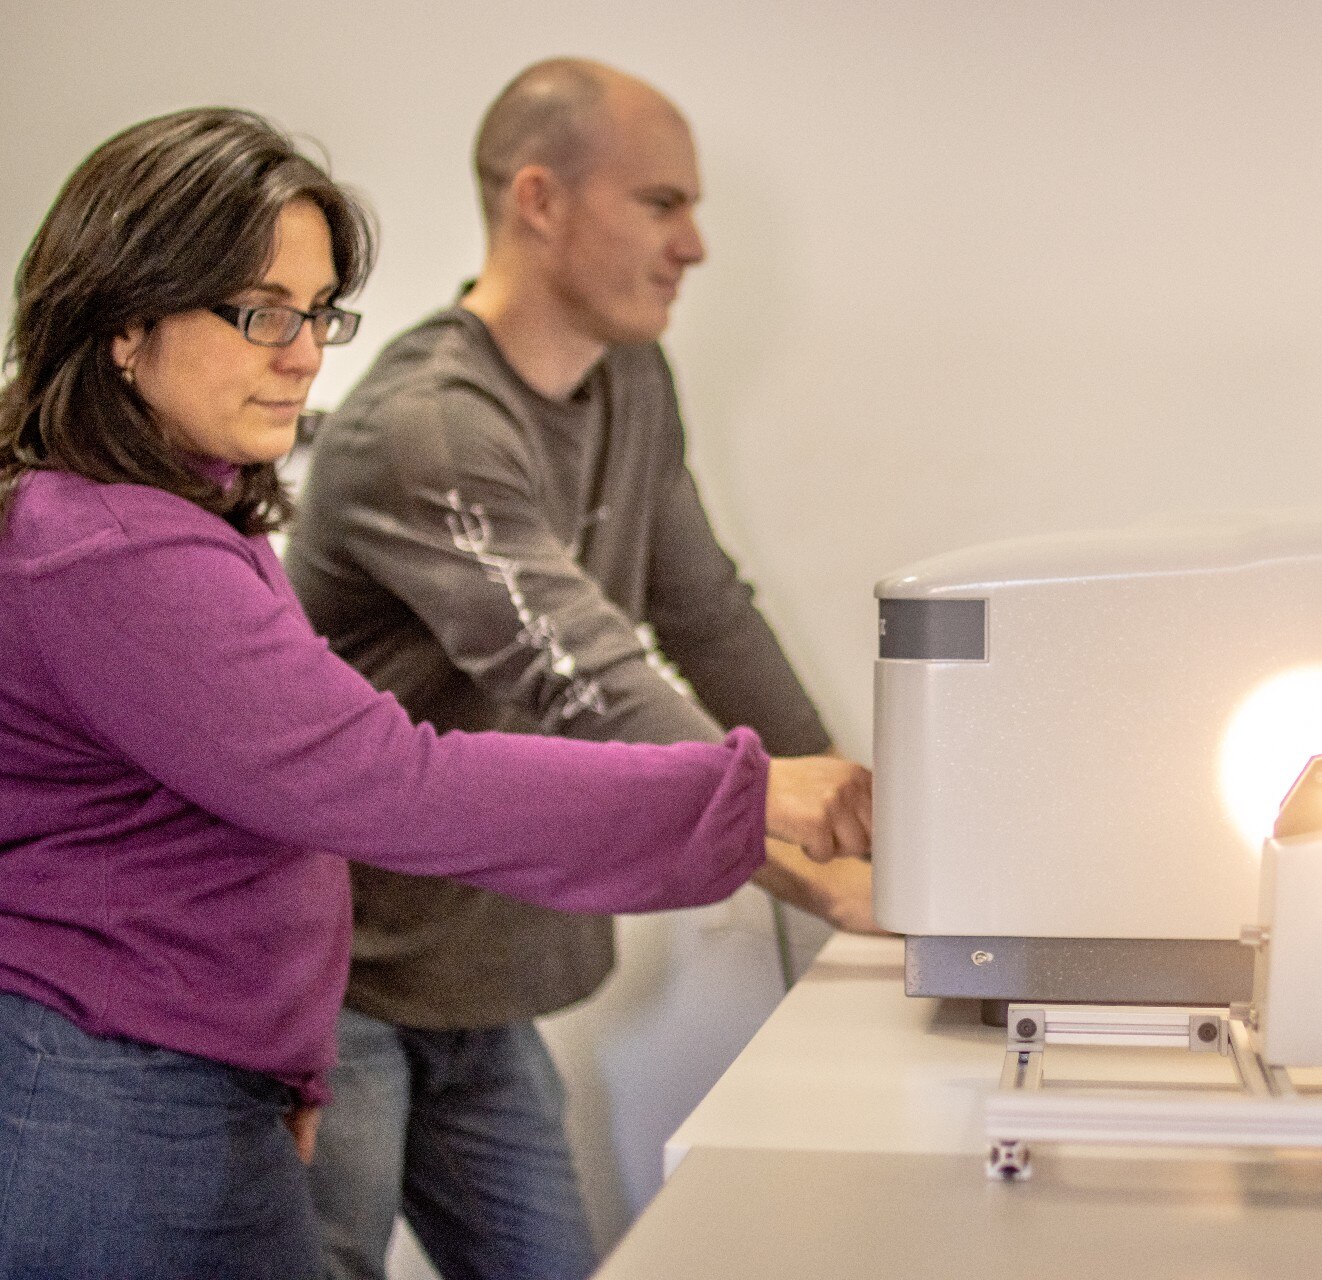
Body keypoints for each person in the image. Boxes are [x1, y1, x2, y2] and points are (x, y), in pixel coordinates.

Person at [0, 107, 869, 1280]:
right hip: (122, 1092)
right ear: (123, 320)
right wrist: (750, 802)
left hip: (231, 1059)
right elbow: (384, 776)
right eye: (263, 312)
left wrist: (287, 1056)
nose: (305, 353)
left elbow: (701, 606)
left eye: (317, 314)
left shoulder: (183, 512)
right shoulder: (111, 547)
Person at [284, 59, 876, 1280]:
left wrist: (866, 815)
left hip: (477, 984)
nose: (695, 245)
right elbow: (587, 677)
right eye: (662, 203)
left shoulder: (630, 384)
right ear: (539, 200)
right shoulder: (432, 426)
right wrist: (801, 852)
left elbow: (706, 617)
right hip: (335, 983)